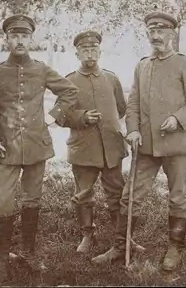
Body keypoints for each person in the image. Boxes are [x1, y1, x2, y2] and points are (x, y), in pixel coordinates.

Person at [91, 11, 186, 271]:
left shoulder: (184, 64)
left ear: (172, 34)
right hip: (145, 147)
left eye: (161, 31)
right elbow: (133, 104)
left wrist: (178, 119)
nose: (156, 36)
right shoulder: (142, 65)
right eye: (152, 31)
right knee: (129, 196)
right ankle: (121, 247)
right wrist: (132, 130)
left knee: (178, 197)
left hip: (177, 146)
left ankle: (175, 248)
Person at [0, 14, 78, 283]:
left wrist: (54, 116)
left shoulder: (42, 69)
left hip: (36, 148)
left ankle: (28, 252)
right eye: (14, 36)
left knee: (33, 201)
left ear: (31, 39)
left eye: (24, 36)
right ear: (7, 39)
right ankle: (1, 259)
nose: (19, 41)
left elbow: (70, 92)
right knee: (4, 203)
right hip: (5, 150)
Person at [58, 30, 143, 255]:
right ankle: (87, 235)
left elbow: (121, 108)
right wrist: (82, 117)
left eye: (94, 49)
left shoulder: (111, 78)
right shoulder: (68, 81)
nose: (90, 54)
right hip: (84, 148)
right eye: (85, 50)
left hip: (111, 148)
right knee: (84, 193)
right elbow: (59, 116)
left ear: (100, 51)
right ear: (77, 54)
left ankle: (123, 238)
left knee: (117, 192)